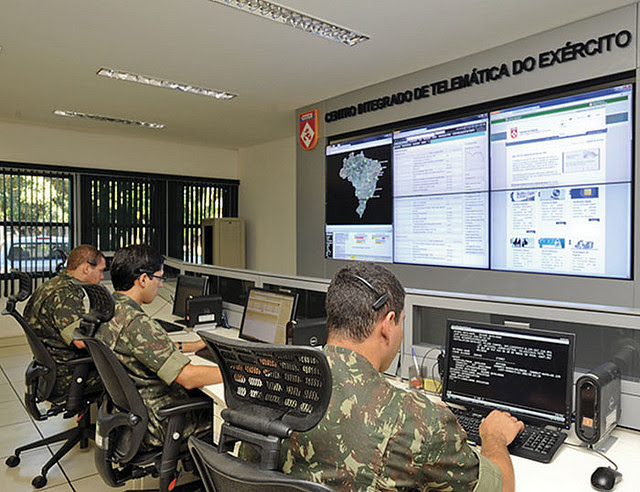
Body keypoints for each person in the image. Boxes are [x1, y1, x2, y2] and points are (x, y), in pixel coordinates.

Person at [281, 262, 523, 492]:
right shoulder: (421, 421)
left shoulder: (277, 383)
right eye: (401, 323)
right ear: (387, 325)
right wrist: (494, 438)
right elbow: (500, 488)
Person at [95, 244, 221, 450]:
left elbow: (145, 348)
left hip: (132, 415)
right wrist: (238, 372)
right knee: (228, 410)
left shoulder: (111, 310)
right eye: (159, 278)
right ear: (143, 279)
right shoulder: (137, 323)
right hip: (159, 423)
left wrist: (193, 346)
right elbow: (188, 378)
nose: (161, 285)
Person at [24, 244, 106, 402]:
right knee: (127, 370)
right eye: (101, 271)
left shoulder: (55, 284)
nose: (102, 277)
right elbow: (81, 342)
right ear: (86, 268)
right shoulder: (65, 294)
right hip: (67, 376)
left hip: (51, 370)